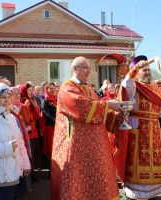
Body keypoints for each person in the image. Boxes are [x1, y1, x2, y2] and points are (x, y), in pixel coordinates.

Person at [51, 56, 124, 200]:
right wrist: (108, 105)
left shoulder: (88, 88)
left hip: (97, 146)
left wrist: (118, 115)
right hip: (77, 146)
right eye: (85, 67)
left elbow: (100, 111)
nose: (89, 71)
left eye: (89, 68)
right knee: (78, 182)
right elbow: (82, 107)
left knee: (99, 179)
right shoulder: (67, 88)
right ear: (75, 69)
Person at [116, 55, 161, 199]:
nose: (147, 72)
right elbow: (126, 81)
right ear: (137, 72)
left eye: (148, 70)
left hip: (154, 128)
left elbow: (159, 112)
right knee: (139, 159)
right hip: (139, 127)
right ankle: (137, 192)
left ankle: (154, 191)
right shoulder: (134, 86)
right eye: (143, 70)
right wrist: (136, 67)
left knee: (155, 158)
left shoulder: (154, 88)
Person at [41, 83, 57, 164]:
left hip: (57, 127)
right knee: (51, 148)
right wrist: (55, 121)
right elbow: (46, 113)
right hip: (50, 127)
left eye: (54, 88)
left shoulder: (57, 99)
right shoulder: (45, 101)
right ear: (46, 90)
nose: (52, 90)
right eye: (50, 88)